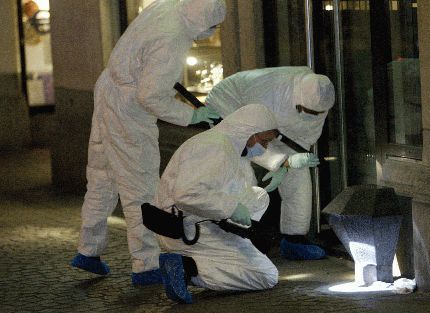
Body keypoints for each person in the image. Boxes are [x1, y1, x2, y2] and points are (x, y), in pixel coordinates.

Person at [70, 0, 227, 286]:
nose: (212, 32)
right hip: (128, 108)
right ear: (204, 22)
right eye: (213, 28)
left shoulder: (168, 6)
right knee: (140, 186)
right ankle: (146, 264)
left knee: (102, 178)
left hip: (108, 90)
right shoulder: (174, 39)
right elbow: (150, 97)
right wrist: (193, 115)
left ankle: (87, 250)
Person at [205, 66, 335, 260]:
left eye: (314, 113)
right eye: (304, 110)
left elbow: (303, 136)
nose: (309, 115)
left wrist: (297, 159)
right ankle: (240, 239)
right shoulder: (268, 90)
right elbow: (251, 140)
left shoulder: (320, 99)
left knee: (299, 174)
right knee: (243, 173)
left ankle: (294, 239)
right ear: (297, 99)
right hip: (230, 106)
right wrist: (282, 161)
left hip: (271, 121)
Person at [155, 104, 279, 304]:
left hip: (192, 218)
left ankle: (231, 247)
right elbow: (187, 194)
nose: (264, 148)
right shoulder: (216, 147)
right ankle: (188, 268)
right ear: (250, 133)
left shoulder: (225, 143)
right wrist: (231, 208)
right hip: (186, 230)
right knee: (266, 275)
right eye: (264, 141)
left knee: (258, 196)